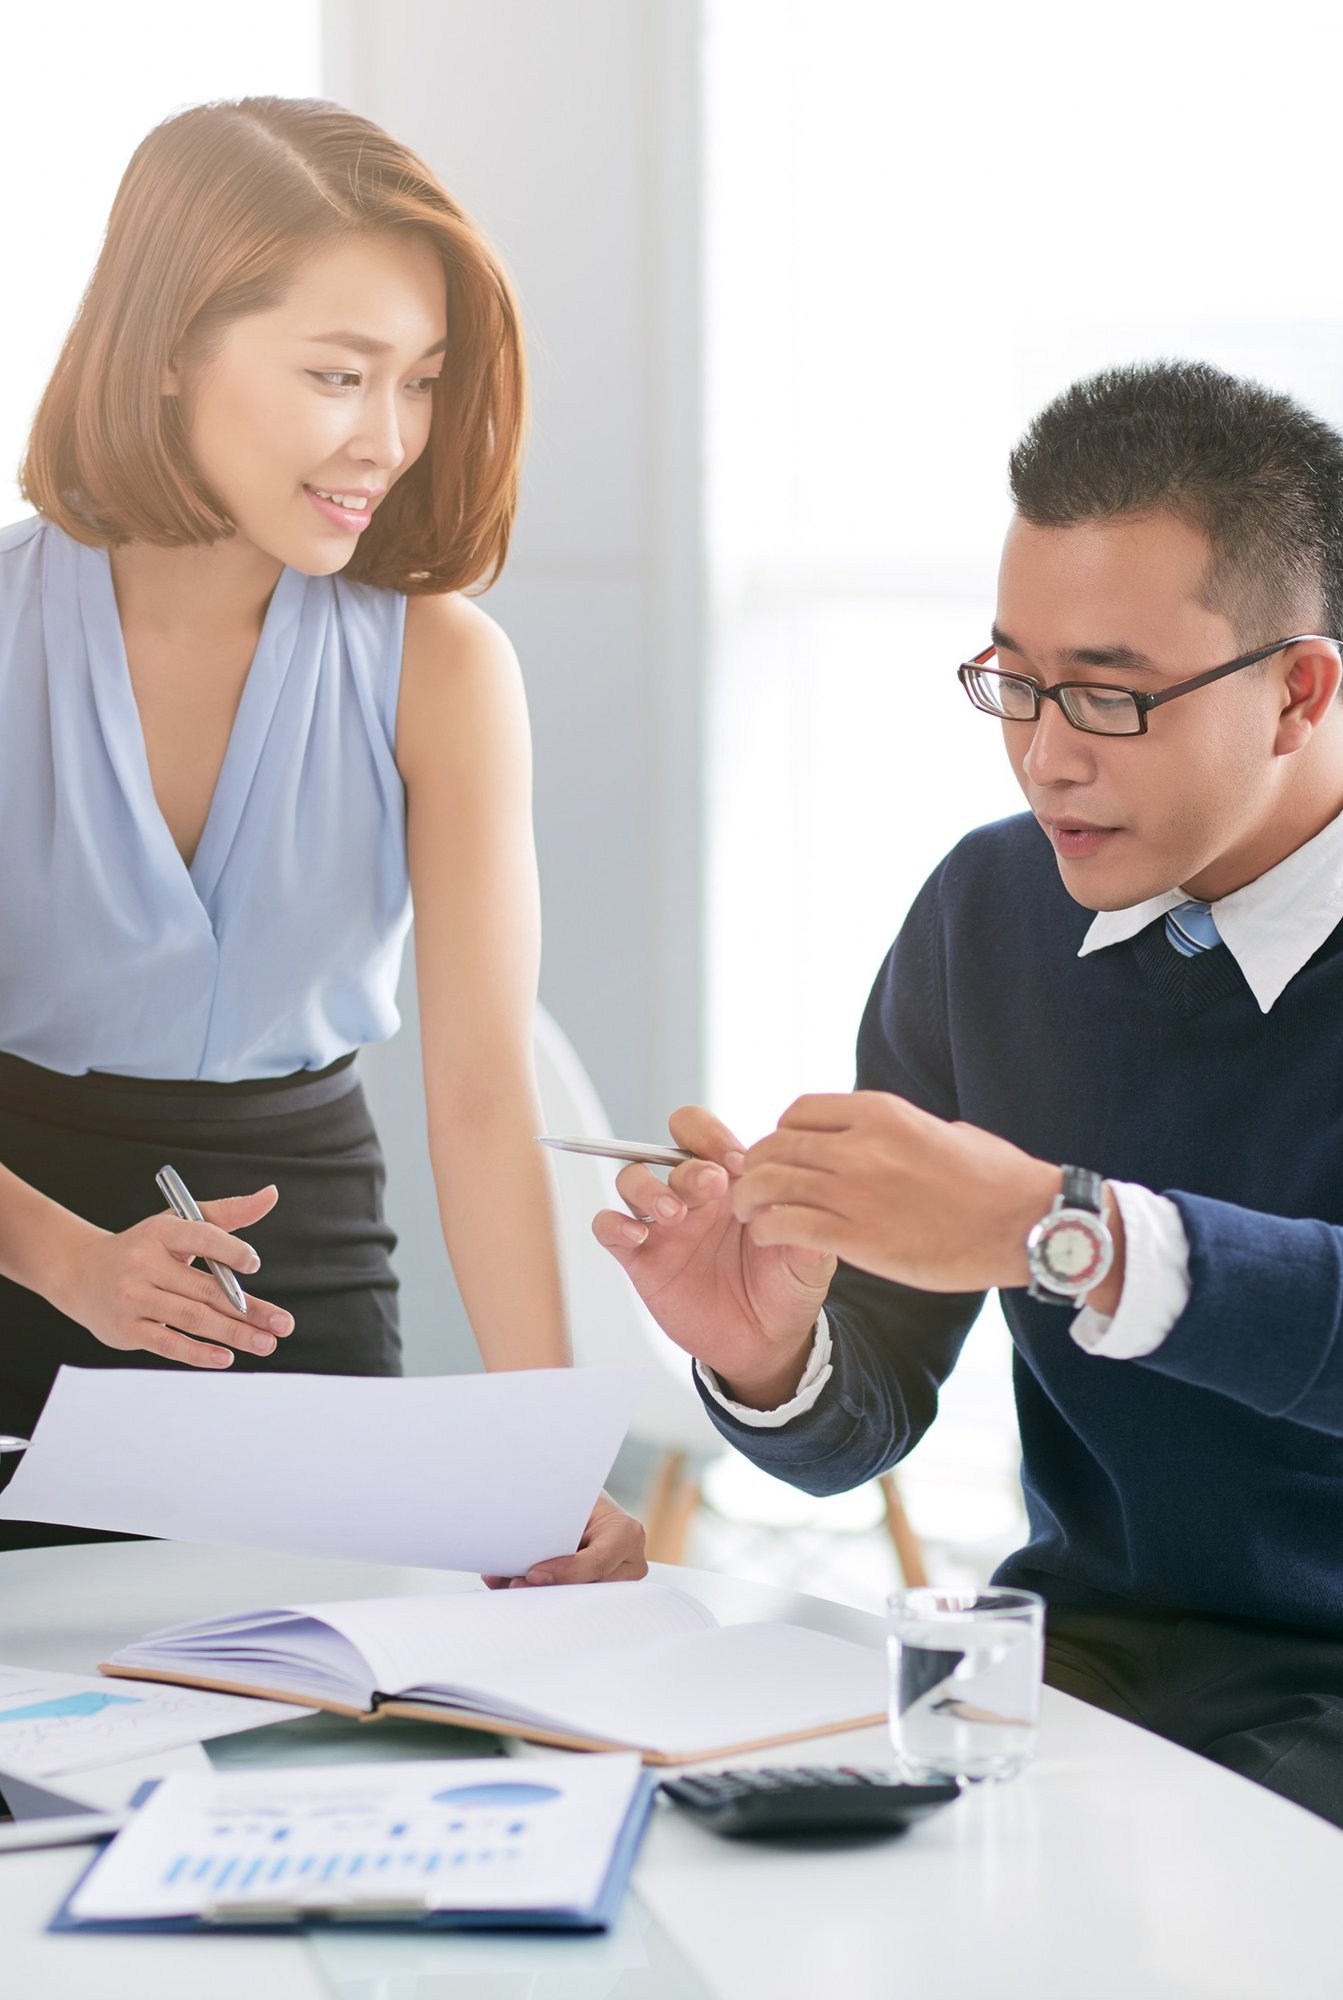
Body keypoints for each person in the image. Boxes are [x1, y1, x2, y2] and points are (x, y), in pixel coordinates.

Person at [596, 359, 1343, 1825]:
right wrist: (771, 1351)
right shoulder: (991, 911)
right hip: (1079, 1671)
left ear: (1297, 693)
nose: (1045, 756)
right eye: (1016, 680)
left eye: (1110, 698)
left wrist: (1069, 1232)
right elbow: (861, 1422)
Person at [0, 96, 643, 1584]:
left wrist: (542, 1460)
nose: (389, 441)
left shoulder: (442, 666)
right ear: (169, 350)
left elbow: (481, 1099)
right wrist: (70, 1263)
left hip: (302, 1279)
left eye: (418, 383)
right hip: (18, 1244)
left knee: (327, 1727)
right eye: (338, 377)